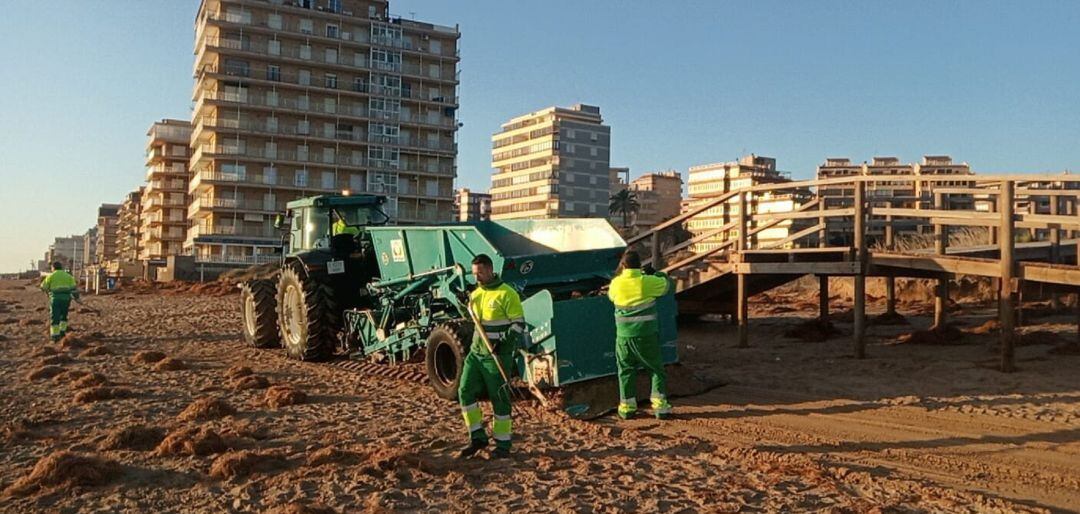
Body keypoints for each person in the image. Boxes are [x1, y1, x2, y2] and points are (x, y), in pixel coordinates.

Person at [457, 254, 526, 459]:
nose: (476, 277)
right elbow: (471, 317)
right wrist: (463, 304)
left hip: (497, 355)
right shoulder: (477, 294)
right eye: (474, 273)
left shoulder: (507, 294)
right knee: (464, 391)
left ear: (489, 270)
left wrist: (503, 340)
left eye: (479, 273)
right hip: (476, 353)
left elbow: (519, 324)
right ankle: (477, 436)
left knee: (500, 399)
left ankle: (503, 445)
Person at [607, 250, 673, 420]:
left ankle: (627, 408)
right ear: (640, 265)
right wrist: (656, 273)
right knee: (656, 369)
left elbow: (611, 297)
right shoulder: (647, 282)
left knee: (626, 370)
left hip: (623, 337)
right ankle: (660, 408)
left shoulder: (616, 284)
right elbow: (666, 285)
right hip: (646, 335)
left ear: (623, 265)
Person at [40, 262, 80, 342]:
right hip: (66, 299)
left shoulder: (50, 276)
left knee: (55, 317)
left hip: (55, 299)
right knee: (64, 315)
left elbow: (43, 287)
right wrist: (77, 298)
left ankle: (55, 336)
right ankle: (62, 332)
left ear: (53, 268)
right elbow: (74, 288)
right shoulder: (68, 276)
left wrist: (48, 291)